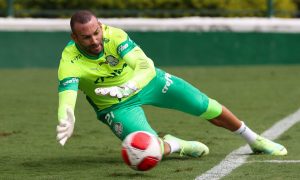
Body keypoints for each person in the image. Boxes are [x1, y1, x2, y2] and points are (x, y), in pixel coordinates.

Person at [56, 10, 287, 158]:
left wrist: (128, 86)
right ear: (74, 38)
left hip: (148, 82)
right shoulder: (69, 61)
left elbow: (145, 66)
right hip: (115, 106)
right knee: (147, 149)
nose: (95, 40)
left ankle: (253, 139)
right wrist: (67, 115)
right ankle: (176, 145)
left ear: (101, 26)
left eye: (96, 33)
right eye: (86, 37)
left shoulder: (114, 35)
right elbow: (67, 95)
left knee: (204, 105)